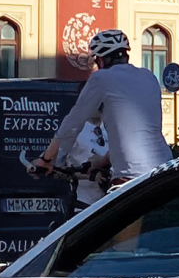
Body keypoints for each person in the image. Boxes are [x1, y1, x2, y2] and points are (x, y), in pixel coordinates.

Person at [35, 30, 172, 188]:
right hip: (164, 168)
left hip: (132, 176)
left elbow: (72, 124)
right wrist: (101, 162)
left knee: (112, 212)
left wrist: (46, 160)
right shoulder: (149, 77)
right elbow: (138, 133)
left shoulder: (101, 78)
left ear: (101, 58)